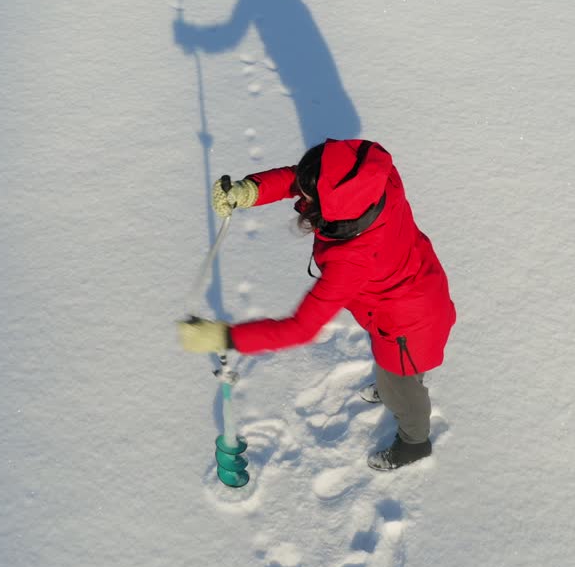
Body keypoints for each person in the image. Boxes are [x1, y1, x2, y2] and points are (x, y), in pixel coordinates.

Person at [178, 139, 456, 470]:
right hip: (413, 284)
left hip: (406, 323)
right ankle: (392, 383)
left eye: (308, 196)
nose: (301, 196)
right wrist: (250, 190)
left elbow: (301, 328)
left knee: (403, 386)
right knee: (395, 372)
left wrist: (225, 337)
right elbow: (306, 179)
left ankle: (415, 442)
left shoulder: (351, 260)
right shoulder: (374, 179)